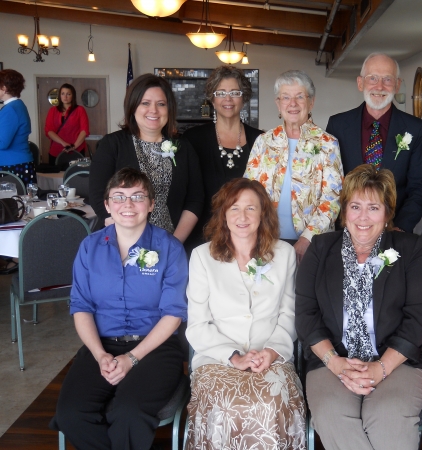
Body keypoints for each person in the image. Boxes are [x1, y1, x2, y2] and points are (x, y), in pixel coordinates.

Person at [296, 164, 422, 450]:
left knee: (388, 416)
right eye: (355, 206)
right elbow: (306, 316)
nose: (363, 217)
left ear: (386, 214)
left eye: (373, 208)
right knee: (332, 415)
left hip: (399, 361)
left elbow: (418, 319)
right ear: (344, 211)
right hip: (332, 359)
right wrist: (334, 362)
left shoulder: (411, 249)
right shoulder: (321, 249)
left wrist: (381, 368)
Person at [51, 168, 188, 450]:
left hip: (155, 349)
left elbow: (173, 314)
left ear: (151, 204)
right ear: (107, 205)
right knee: (70, 414)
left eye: (138, 196)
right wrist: (100, 355)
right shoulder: (90, 247)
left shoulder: (170, 248)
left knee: (128, 412)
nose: (128, 205)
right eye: (119, 197)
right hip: (101, 346)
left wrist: (132, 359)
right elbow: (81, 307)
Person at [186, 178, 305, 449]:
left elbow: (289, 314)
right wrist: (234, 357)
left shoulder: (284, 254)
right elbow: (197, 325)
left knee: (270, 402)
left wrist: (272, 352)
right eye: (234, 208)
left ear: (263, 214)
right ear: (223, 215)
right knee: (227, 407)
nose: (242, 216)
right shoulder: (202, 257)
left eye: (251, 208)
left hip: (271, 358)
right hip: (217, 360)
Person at [90, 73, 203, 242]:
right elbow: (98, 196)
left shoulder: (184, 148)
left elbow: (195, 199)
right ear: (133, 106)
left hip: (172, 243)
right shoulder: (112, 145)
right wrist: (129, 239)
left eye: (161, 104)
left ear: (169, 109)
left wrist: (174, 244)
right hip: (120, 241)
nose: (154, 110)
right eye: (145, 103)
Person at [244, 69, 343, 262]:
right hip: (265, 240)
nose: (293, 104)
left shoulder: (327, 143)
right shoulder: (263, 142)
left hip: (312, 244)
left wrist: (307, 239)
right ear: (278, 103)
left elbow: (332, 199)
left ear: (311, 102)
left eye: (300, 97)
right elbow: (247, 191)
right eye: (286, 97)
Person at [326, 53, 422, 233]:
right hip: (347, 228)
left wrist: (399, 227)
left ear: (397, 85)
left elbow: (420, 186)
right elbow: (330, 183)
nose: (380, 86)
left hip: (394, 231)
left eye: (387, 79)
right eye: (372, 78)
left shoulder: (416, 129)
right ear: (360, 83)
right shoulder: (337, 125)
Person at [183, 65, 263, 250]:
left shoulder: (261, 140)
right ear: (212, 98)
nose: (228, 99)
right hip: (200, 237)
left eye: (235, 92)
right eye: (220, 93)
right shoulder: (193, 139)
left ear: (244, 98)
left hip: (247, 237)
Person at [0, 69, 36, 185]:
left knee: (13, 202)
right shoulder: (17, 105)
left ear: (4, 88)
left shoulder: (10, 109)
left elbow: (2, 143)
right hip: (17, 162)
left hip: (13, 164)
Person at [44, 83, 90, 165]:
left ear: (73, 96)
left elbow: (84, 131)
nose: (65, 97)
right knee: (55, 176)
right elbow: (49, 131)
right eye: (63, 94)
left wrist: (73, 146)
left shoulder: (80, 110)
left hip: (77, 150)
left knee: (76, 176)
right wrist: (64, 143)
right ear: (59, 95)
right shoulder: (53, 110)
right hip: (56, 150)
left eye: (68, 94)